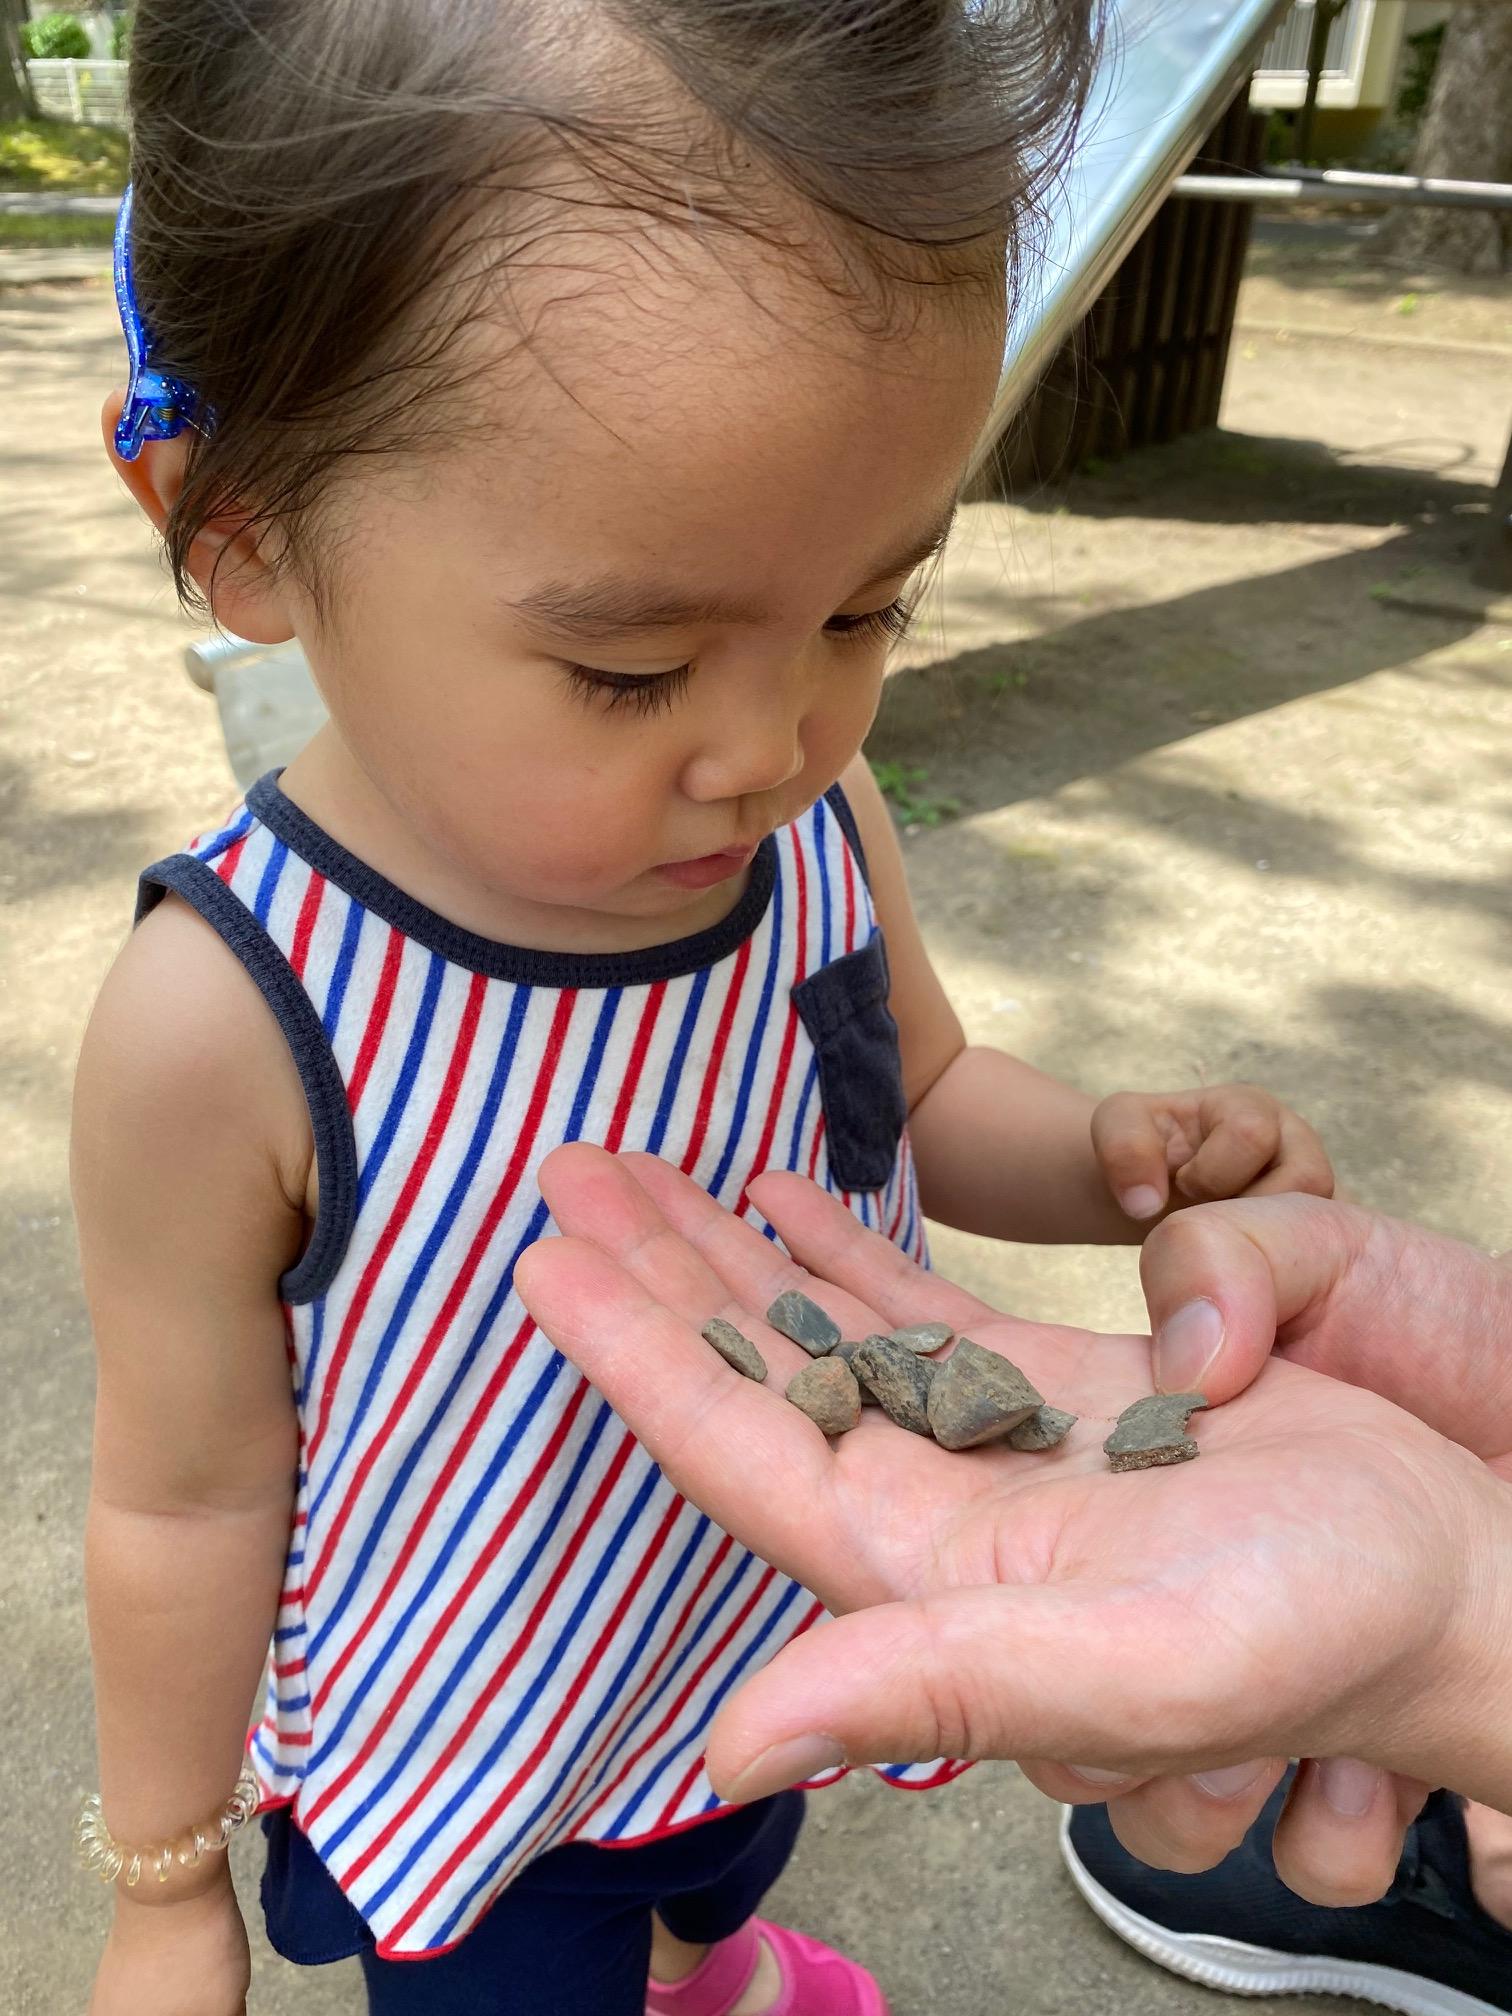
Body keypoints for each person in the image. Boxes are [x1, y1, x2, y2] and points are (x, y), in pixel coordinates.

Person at [72, 4, 1342, 2014]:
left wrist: (1106, 1160)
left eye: (862, 607)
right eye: (634, 669)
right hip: (480, 1747)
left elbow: (914, 1088)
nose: (770, 745)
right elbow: (185, 1490)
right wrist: (161, 1883)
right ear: (239, 533)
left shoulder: (816, 823)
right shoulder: (225, 1019)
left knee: (731, 1839)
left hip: (749, 1619)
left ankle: (706, 1963)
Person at [513, 1143, 1512, 2016]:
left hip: (720, 1643)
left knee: (727, 1839)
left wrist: (1466, 1621)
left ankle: (698, 1961)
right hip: (528, 1734)